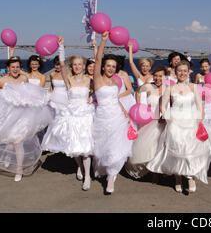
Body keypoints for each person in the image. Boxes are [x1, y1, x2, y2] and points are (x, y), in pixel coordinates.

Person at [0, 56, 52, 182]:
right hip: (8, 117)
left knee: (18, 144)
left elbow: (30, 94)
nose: (15, 69)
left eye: (17, 67)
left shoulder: (24, 78)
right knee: (9, 144)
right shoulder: (2, 81)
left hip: (21, 118)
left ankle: (18, 170)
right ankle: (8, 157)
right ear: (8, 68)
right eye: (13, 67)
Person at [146, 60, 211, 193]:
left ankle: (190, 176)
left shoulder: (193, 87)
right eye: (179, 70)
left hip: (191, 122)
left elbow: (200, 106)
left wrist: (199, 120)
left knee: (189, 151)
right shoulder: (170, 88)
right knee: (177, 150)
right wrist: (168, 116)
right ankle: (177, 178)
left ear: (188, 72)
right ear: (175, 73)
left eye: (184, 71)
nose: (182, 73)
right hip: (175, 122)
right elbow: (162, 106)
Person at [92, 31, 134, 194]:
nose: (110, 68)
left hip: (117, 116)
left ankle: (111, 178)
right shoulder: (98, 79)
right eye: (108, 65)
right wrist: (103, 42)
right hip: (102, 117)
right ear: (103, 67)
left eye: (113, 66)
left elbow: (116, 100)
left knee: (116, 146)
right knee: (103, 146)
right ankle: (107, 171)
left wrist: (125, 113)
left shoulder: (115, 82)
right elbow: (97, 59)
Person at [53, 36, 95, 191]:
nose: (77, 67)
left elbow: (98, 89)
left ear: (84, 66)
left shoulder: (88, 79)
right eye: (75, 64)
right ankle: (80, 167)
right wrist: (61, 47)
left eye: (80, 64)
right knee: (74, 146)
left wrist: (91, 98)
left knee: (86, 148)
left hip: (85, 115)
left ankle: (88, 176)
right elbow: (62, 65)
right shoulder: (68, 79)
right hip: (71, 114)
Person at [125, 66, 167, 181]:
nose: (158, 78)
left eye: (161, 76)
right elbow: (137, 92)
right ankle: (154, 173)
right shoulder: (149, 86)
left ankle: (160, 170)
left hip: (164, 122)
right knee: (149, 148)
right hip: (150, 122)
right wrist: (139, 107)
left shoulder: (168, 88)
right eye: (156, 76)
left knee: (162, 148)